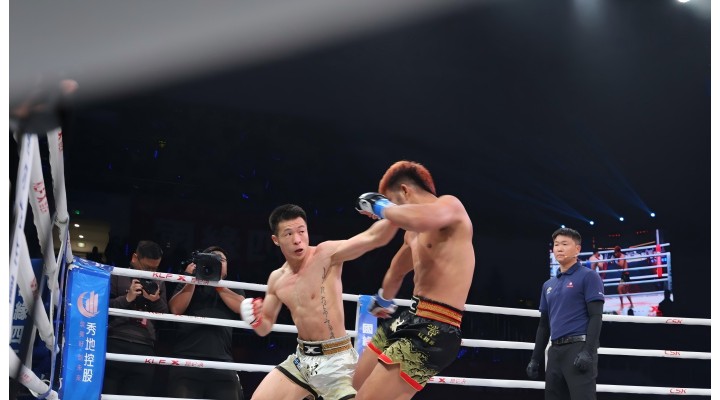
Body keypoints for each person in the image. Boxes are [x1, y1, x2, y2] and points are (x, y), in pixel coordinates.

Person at [240, 204, 399, 400]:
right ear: (276, 239)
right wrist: (255, 319)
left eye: (301, 231)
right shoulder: (277, 279)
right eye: (288, 234)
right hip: (302, 361)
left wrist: (392, 212)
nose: (297, 239)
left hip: (337, 361)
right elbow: (265, 327)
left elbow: (373, 238)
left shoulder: (326, 255)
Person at [351, 160, 475, 400]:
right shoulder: (412, 234)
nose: (393, 215)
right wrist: (383, 300)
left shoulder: (450, 206)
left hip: (437, 326)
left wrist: (379, 205)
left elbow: (417, 218)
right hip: (409, 318)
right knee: (351, 388)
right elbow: (396, 271)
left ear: (405, 191)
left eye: (394, 202)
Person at [526, 227, 604, 400]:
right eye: (556, 244)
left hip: (578, 348)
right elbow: (543, 325)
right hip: (554, 351)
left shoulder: (589, 276)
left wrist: (588, 351)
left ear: (577, 249)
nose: (559, 248)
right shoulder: (548, 285)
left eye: (564, 244)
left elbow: (596, 316)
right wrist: (535, 359)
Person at [168, 246, 246, 400]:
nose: (217, 262)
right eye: (212, 259)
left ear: (227, 267)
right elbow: (175, 309)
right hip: (187, 360)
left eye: (221, 260)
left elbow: (241, 307)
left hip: (222, 362)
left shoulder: (233, 287)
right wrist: (192, 279)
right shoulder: (189, 283)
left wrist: (217, 284)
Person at [103, 241, 167, 395]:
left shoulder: (159, 281)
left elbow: (165, 317)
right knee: (107, 394)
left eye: (155, 268)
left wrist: (155, 301)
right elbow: (102, 307)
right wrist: (127, 298)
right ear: (134, 258)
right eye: (147, 268)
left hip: (145, 345)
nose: (151, 272)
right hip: (115, 341)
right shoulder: (118, 274)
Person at [613, 246, 634, 311]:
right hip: (624, 275)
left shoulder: (622, 256)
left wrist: (616, 262)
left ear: (618, 252)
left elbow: (621, 265)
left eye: (616, 253)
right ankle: (631, 304)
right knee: (625, 291)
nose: (615, 254)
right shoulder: (620, 257)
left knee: (620, 289)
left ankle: (622, 306)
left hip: (625, 275)